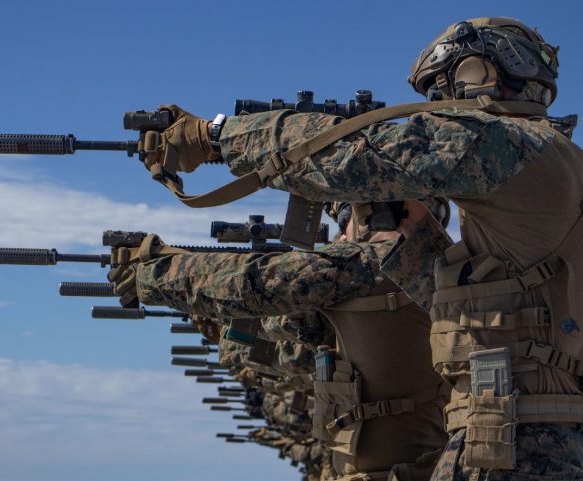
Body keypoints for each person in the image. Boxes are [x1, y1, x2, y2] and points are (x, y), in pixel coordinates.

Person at [136, 17, 583, 480]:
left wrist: (215, 137)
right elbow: (501, 308)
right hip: (523, 429)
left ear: (479, 74)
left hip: (511, 435)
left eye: (441, 91)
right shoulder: (550, 172)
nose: (437, 108)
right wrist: (415, 239)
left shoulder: (510, 142)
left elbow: (352, 154)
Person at [112, 201, 451, 480]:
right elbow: (293, 336)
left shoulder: (372, 264)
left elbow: (253, 283)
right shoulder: (439, 268)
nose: (342, 232)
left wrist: (154, 275)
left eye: (346, 217)